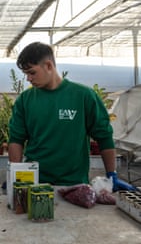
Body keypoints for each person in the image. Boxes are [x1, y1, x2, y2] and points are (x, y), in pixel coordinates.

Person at [8, 42, 137, 191]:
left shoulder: (83, 96)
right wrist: (14, 175)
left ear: (48, 66)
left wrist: (111, 174)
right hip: (36, 183)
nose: (28, 79)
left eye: (32, 72)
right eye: (26, 74)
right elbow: (16, 140)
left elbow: (104, 136)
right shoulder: (25, 100)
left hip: (74, 184)